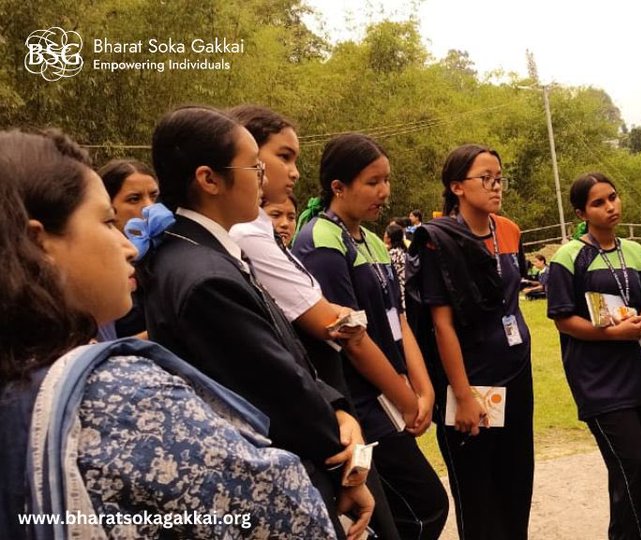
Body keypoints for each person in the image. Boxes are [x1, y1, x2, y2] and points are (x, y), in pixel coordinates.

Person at [0, 128, 336, 538]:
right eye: (107, 221)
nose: (126, 245)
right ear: (40, 245)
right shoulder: (120, 400)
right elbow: (294, 517)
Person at [137, 105, 374, 538]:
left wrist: (338, 408)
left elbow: (281, 353)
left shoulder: (202, 251)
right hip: (274, 483)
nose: (264, 180)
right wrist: (342, 451)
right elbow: (275, 387)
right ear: (209, 179)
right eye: (254, 167)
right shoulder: (203, 277)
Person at [293, 133, 448, 539]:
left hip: (391, 402)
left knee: (403, 515)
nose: (385, 191)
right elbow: (352, 340)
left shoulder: (375, 241)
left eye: (386, 180)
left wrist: (423, 391)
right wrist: (406, 399)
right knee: (424, 508)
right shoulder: (320, 241)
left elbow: (399, 320)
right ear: (338, 187)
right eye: (372, 182)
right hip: (360, 410)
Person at [407, 144, 534, 540]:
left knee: (516, 483)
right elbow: (441, 326)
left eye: (500, 178)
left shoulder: (509, 230)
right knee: (478, 495)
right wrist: (461, 395)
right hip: (470, 382)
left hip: (516, 373)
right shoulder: (437, 241)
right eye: (486, 178)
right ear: (457, 186)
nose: (496, 186)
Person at [545, 172, 641, 540]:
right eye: (599, 202)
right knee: (632, 463)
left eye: (613, 197)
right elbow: (564, 321)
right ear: (582, 211)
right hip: (597, 378)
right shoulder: (568, 257)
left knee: (636, 468)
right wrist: (612, 333)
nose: (610, 206)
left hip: (639, 370)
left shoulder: (635, 251)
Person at [97, 159, 159, 339]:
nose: (149, 207)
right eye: (134, 199)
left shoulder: (163, 250)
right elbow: (102, 347)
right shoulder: (97, 265)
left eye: (154, 196)